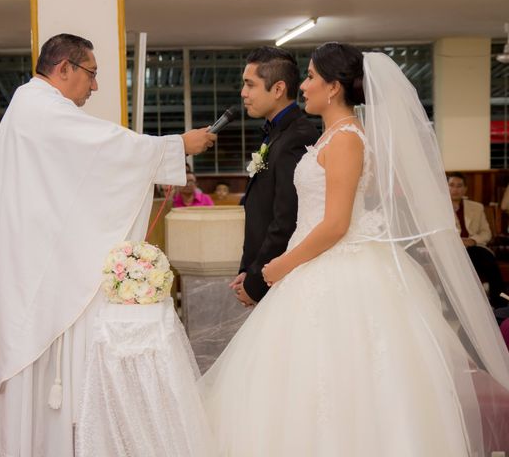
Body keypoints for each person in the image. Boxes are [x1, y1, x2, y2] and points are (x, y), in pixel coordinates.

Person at [0, 34, 216, 457]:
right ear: (63, 67)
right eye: (92, 74)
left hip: (28, 258)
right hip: (28, 267)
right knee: (36, 362)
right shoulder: (40, 107)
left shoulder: (33, 106)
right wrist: (176, 146)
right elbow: (103, 148)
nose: (95, 86)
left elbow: (82, 172)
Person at [199, 43, 509, 456]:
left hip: (338, 270)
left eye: (310, 77)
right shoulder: (331, 135)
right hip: (315, 266)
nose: (303, 86)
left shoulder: (346, 138)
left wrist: (278, 267)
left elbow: (335, 224)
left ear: (333, 88)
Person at [230, 46, 318, 307]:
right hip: (265, 269)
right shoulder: (277, 133)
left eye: (250, 85)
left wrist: (257, 281)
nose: (243, 93)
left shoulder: (298, 136)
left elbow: (286, 219)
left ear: (278, 89)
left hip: (283, 274)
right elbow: (260, 210)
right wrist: (247, 269)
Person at [448, 172, 506, 308]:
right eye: (451, 185)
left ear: (465, 189)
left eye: (459, 186)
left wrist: (472, 240)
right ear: (446, 187)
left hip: (474, 247)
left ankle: (500, 305)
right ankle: (459, 307)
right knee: (459, 263)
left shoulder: (476, 207)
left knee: (488, 259)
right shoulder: (438, 208)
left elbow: (486, 233)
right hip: (452, 249)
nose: (455, 189)